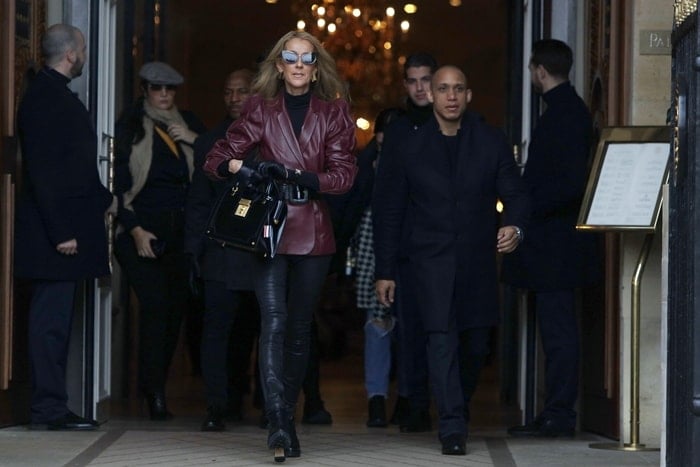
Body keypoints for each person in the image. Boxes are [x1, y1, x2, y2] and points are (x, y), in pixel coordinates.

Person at [203, 31, 356, 461]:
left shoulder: (334, 112)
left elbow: (344, 178)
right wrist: (240, 166)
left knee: (298, 327)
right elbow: (214, 160)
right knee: (272, 321)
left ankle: (286, 412)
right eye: (290, 56)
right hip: (269, 226)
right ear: (278, 64)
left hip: (313, 228)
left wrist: (298, 177)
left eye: (307, 58)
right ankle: (279, 423)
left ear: (315, 66)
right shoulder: (259, 108)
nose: (298, 64)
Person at [373, 65, 531, 455]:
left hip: (478, 262)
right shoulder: (407, 144)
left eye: (458, 88)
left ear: (468, 95)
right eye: (443, 88)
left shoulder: (490, 140)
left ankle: (455, 405)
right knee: (440, 340)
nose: (451, 96)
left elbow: (517, 194)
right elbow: (388, 210)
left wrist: (515, 227)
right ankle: (452, 425)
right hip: (427, 263)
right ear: (431, 94)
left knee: (475, 345)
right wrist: (385, 270)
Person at [15, 24, 115, 431]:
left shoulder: (52, 94)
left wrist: (105, 200)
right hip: (52, 238)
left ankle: (52, 406)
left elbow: (72, 168)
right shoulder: (45, 98)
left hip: (61, 233)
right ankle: (47, 410)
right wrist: (62, 233)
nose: (87, 55)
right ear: (72, 54)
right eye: (85, 49)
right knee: (49, 326)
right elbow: (43, 173)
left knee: (55, 323)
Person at [503, 39, 601, 438]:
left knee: (558, 333)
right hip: (558, 245)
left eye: (532, 71)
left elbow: (566, 184)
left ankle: (559, 414)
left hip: (556, 247)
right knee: (556, 330)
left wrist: (525, 203)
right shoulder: (569, 111)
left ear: (539, 71)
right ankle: (554, 411)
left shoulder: (563, 115)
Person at [114, 61, 206, 421]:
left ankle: (154, 385)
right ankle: (153, 393)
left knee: (173, 316)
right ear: (144, 90)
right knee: (155, 309)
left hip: (180, 235)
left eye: (170, 89)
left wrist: (193, 140)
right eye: (156, 88)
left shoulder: (189, 123)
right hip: (141, 231)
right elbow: (118, 183)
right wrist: (135, 230)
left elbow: (221, 160)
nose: (164, 95)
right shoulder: (131, 126)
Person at [184, 68, 260, 431]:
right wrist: (193, 251)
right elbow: (198, 201)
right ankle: (216, 405)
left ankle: (260, 402)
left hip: (261, 252)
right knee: (216, 331)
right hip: (219, 251)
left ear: (254, 95)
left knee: (259, 330)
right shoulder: (209, 143)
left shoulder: (269, 140)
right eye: (228, 92)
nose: (233, 99)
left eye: (241, 92)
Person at [380, 52, 437, 432]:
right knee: (410, 333)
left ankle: (447, 405)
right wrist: (384, 268)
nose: (420, 88)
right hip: (408, 251)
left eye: (425, 80)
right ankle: (413, 403)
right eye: (413, 81)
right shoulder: (398, 131)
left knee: (449, 333)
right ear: (405, 85)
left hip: (448, 249)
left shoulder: (458, 125)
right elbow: (385, 201)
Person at [351, 107, 405, 427]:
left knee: (409, 325)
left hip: (409, 244)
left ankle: (405, 397)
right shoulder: (368, 164)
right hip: (373, 242)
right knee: (377, 324)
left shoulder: (415, 159)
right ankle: (377, 398)